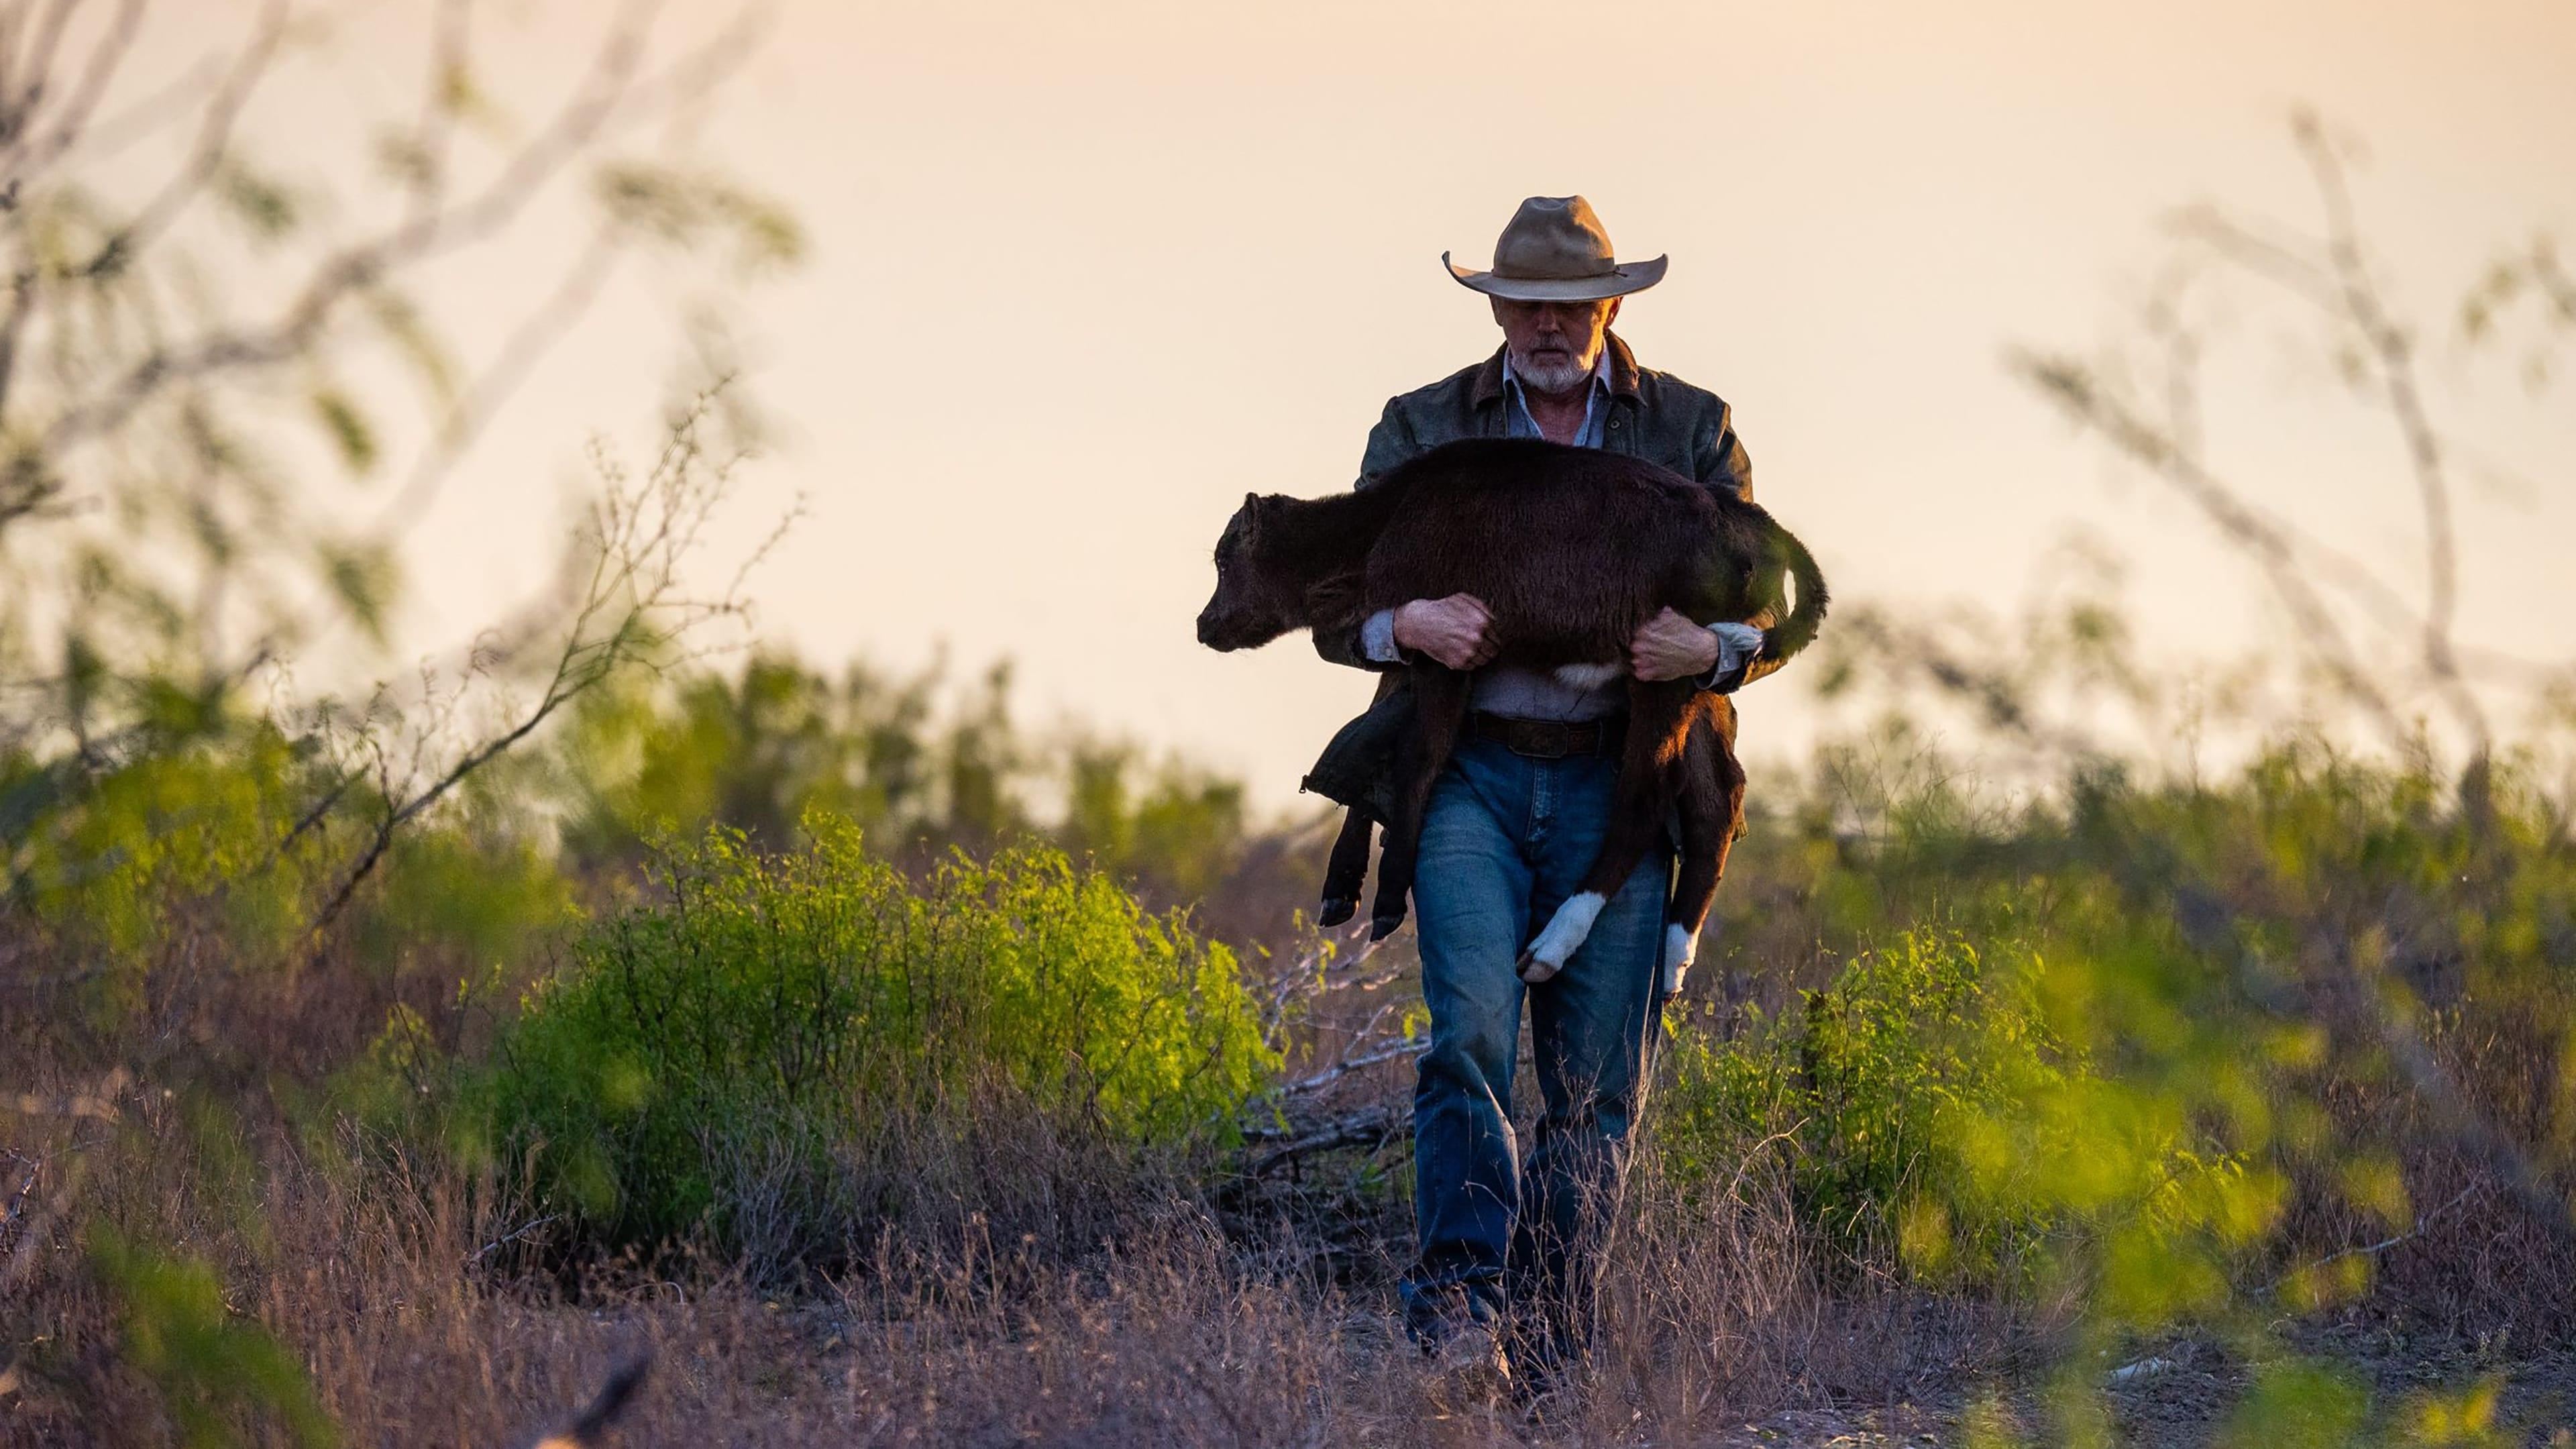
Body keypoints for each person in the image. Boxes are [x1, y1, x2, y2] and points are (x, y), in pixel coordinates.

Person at [1310, 195, 1785, 1387]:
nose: (1545, 324)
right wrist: (1402, 623)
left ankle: (1553, 1336)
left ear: (1609, 305)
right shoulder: (1420, 430)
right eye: (1522, 302)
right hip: (1466, 775)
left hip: (1619, 799)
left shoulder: (1689, 430)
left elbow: (1769, 606)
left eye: (1569, 304)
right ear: (1495, 309)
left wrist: (1713, 652)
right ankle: (1457, 1315)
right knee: (1468, 1037)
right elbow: (1326, 604)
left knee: (1596, 1087)